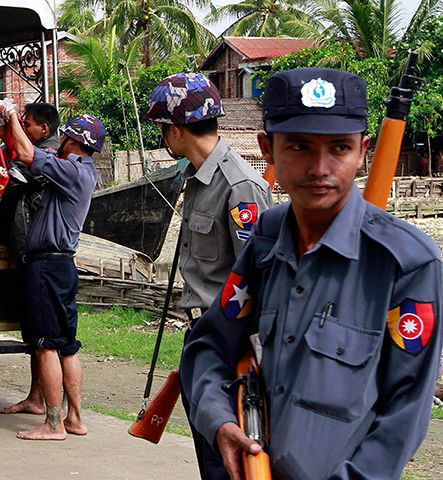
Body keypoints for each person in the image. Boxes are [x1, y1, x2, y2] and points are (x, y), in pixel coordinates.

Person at [181, 68, 443, 480]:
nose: (319, 168)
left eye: (339, 147)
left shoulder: (406, 263)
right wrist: (219, 420)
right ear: (267, 148)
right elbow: (211, 344)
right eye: (299, 146)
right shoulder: (266, 238)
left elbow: (404, 413)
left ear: (362, 151)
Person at [143, 71, 272, 479]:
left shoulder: (240, 186)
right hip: (202, 336)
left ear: (178, 130)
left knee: (229, 461)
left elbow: (259, 282)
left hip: (231, 343)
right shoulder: (198, 179)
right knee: (208, 453)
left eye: (163, 128)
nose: (162, 137)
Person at [0, 103, 102, 440]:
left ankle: (54, 424)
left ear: (72, 140)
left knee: (46, 346)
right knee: (66, 344)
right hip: (62, 265)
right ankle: (74, 418)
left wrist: (12, 114)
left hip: (47, 265)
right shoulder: (83, 171)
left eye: (64, 137)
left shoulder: (71, 170)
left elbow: (27, 154)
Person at [0, 102, 61, 416]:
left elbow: (11, 174)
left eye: (27, 123)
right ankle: (36, 397)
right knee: (36, 335)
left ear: (44, 130)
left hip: (42, 256)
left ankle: (56, 413)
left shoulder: (48, 157)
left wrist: (9, 118)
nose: (23, 127)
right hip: (33, 254)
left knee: (45, 338)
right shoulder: (43, 151)